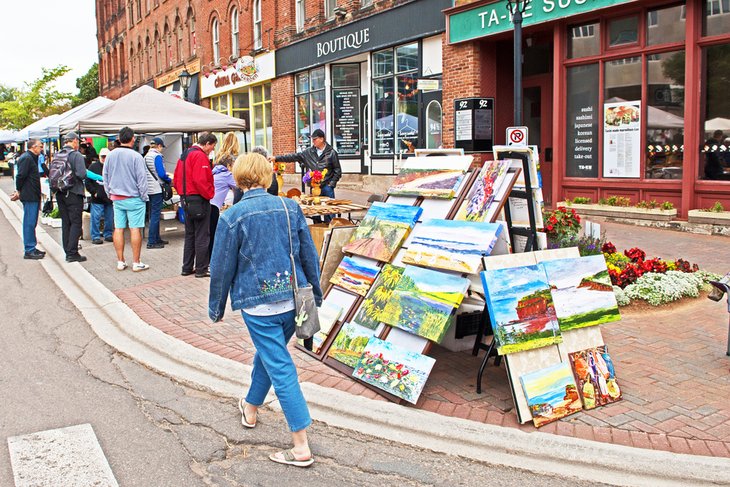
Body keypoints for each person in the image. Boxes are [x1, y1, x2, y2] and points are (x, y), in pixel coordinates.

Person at [208, 152, 322, 468]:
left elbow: (220, 267)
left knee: (279, 363)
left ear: (239, 178)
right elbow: (309, 255)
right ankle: (251, 406)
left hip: (259, 305)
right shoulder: (290, 207)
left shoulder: (232, 216)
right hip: (292, 299)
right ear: (268, 176)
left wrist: (216, 308)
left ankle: (301, 446)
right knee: (269, 355)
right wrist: (316, 292)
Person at [102, 126, 150, 272]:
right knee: (135, 228)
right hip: (134, 197)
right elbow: (142, 179)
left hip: (117, 197)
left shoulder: (110, 155)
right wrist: (144, 196)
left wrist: (109, 193)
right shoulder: (136, 156)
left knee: (119, 228)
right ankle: (136, 262)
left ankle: (120, 261)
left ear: (119, 138)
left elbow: (105, 176)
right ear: (133, 138)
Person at [270, 129, 341, 223]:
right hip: (314, 187)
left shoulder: (331, 152)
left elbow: (338, 170)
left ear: (321, 139)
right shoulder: (308, 152)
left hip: (327, 187)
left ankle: (330, 231)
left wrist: (331, 184)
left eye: (315, 139)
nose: (313, 141)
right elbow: (293, 157)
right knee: (316, 213)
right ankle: (318, 231)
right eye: (312, 139)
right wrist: (276, 158)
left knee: (329, 212)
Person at [173, 132, 216, 278]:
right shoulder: (200, 156)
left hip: (185, 199)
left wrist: (182, 194)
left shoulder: (184, 155)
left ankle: (187, 267)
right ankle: (201, 268)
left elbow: (177, 178)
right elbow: (201, 180)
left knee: (190, 234)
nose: (212, 150)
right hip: (199, 199)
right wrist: (210, 194)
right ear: (208, 143)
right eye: (212, 147)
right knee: (202, 235)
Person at [55, 131, 88, 263]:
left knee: (66, 222)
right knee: (75, 222)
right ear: (74, 141)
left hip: (60, 192)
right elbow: (81, 174)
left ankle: (67, 250)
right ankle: (72, 252)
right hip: (74, 192)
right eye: (77, 141)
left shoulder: (58, 155)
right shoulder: (76, 155)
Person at [14, 139, 46, 260]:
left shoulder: (30, 157)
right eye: (40, 146)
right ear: (33, 147)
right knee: (29, 221)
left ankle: (32, 246)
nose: (41, 148)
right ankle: (29, 249)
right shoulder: (27, 158)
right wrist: (19, 190)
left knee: (32, 222)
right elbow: (20, 175)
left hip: (32, 193)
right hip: (29, 194)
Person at [210, 132, 239, 258]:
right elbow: (238, 184)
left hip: (215, 197)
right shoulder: (233, 159)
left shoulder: (218, 157)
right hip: (226, 197)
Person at [144, 137, 172, 249]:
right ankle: (152, 241)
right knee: (156, 215)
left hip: (149, 188)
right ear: (159, 146)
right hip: (156, 188)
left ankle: (156, 238)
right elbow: (161, 173)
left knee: (152, 214)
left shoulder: (145, 156)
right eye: (162, 147)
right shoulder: (157, 156)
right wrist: (169, 179)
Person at [86, 148, 114, 245]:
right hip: (97, 198)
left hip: (109, 198)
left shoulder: (112, 167)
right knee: (95, 218)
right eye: (103, 156)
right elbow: (87, 182)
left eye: (106, 156)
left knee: (109, 218)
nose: (104, 158)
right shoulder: (93, 167)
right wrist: (94, 192)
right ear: (99, 157)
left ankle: (108, 234)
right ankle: (95, 236)